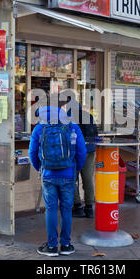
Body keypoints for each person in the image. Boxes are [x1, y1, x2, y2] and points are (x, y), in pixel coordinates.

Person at [29, 105, 86, 257]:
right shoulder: (73, 127)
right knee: (67, 210)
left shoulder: (39, 129)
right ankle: (66, 245)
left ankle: (52, 246)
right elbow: (82, 152)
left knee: (51, 210)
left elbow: (32, 153)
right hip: (68, 175)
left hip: (48, 175)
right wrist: (76, 170)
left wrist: (40, 168)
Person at [72, 105, 98, 218]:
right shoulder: (90, 117)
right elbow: (96, 133)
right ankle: (89, 208)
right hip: (90, 150)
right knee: (88, 179)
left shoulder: (70, 117)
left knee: (72, 179)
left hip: (76, 152)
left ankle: (77, 207)